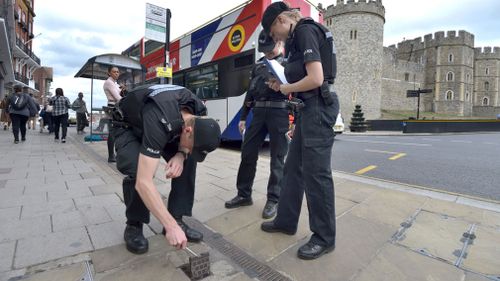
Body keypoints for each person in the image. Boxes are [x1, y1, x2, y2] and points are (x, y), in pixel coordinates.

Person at [259, 2, 340, 260]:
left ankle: (324, 237)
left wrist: (285, 89)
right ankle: (285, 220)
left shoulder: (305, 32)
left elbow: (316, 78)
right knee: (293, 168)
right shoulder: (295, 40)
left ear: (282, 20)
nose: (275, 38)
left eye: (274, 32)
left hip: (318, 107)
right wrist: (283, 85)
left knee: (317, 175)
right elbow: (303, 78)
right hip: (308, 107)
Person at [113, 84, 221, 253]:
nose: (191, 151)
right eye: (193, 147)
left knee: (188, 162)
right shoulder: (159, 116)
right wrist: (169, 226)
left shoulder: (198, 112)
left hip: (163, 126)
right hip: (130, 127)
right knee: (137, 169)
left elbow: (187, 145)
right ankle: (134, 224)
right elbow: (144, 182)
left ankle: (177, 217)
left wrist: (181, 154)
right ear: (187, 130)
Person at [225, 30, 289, 219]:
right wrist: (244, 116)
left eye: (270, 49)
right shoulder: (258, 65)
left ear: (279, 43)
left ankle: (274, 200)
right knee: (247, 153)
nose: (267, 53)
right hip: (258, 113)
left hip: (280, 112)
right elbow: (250, 93)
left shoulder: (289, 63)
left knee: (277, 158)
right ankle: (244, 194)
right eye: (264, 50)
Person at [103, 66, 125, 162]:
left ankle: (114, 154)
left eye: (118, 72)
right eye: (114, 72)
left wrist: (122, 90)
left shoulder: (114, 83)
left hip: (115, 107)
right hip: (113, 108)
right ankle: (111, 156)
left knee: (116, 132)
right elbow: (118, 97)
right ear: (109, 73)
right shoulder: (109, 82)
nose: (117, 73)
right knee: (112, 132)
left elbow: (120, 94)